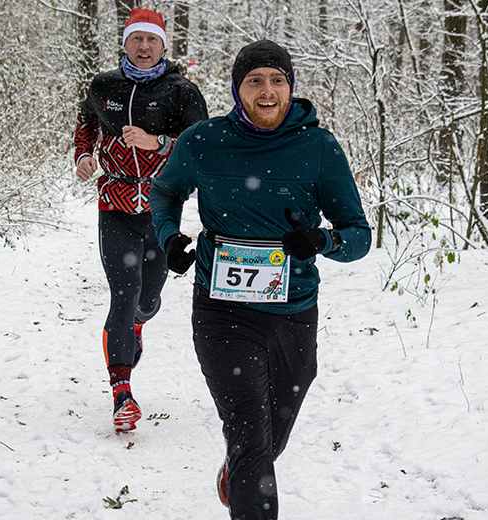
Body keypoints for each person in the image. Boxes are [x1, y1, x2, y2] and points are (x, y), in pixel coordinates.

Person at [150, 40, 371, 519]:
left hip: (293, 312)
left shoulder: (319, 147)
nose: (266, 90)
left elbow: (359, 236)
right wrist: (169, 236)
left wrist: (321, 241)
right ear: (237, 89)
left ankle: (244, 466)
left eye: (277, 80)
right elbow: (165, 192)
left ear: (290, 87)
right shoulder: (203, 141)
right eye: (255, 80)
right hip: (221, 311)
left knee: (270, 435)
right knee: (251, 435)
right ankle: (247, 468)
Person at [73, 8, 208, 432]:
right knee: (123, 293)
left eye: (152, 40)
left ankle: (138, 325)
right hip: (113, 201)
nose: (144, 47)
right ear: (126, 43)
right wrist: (84, 155)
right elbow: (85, 122)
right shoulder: (104, 85)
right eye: (136, 39)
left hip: (160, 207)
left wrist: (159, 142)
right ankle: (122, 394)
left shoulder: (182, 91)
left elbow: (201, 145)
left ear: (163, 45)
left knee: (147, 301)